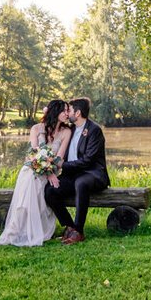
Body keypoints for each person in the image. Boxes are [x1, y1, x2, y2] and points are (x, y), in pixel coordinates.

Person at [0, 99, 71, 247]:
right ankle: (18, 229)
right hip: (32, 168)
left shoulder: (66, 132)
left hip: (49, 170)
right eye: (65, 111)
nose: (67, 114)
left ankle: (36, 228)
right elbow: (33, 153)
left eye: (68, 111)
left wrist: (50, 171)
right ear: (56, 112)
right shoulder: (36, 129)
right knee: (31, 178)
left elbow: (59, 158)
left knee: (36, 182)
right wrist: (47, 172)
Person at [44, 97, 109, 245]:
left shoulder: (94, 130)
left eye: (70, 110)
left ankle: (79, 231)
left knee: (81, 183)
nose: (68, 113)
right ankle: (70, 227)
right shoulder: (69, 130)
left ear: (78, 113)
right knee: (50, 190)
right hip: (72, 175)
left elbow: (88, 161)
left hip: (93, 174)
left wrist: (62, 165)